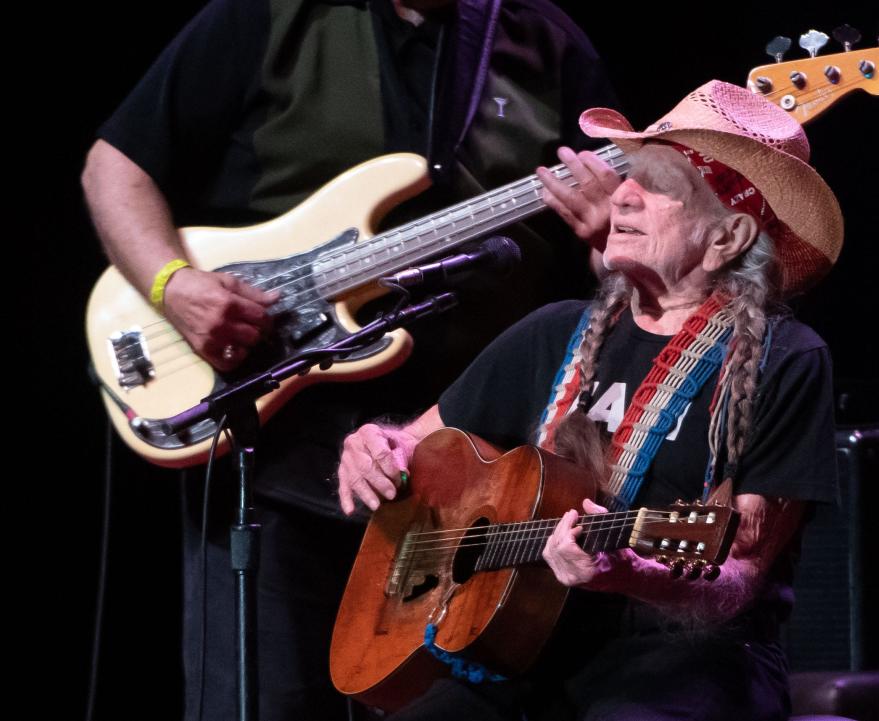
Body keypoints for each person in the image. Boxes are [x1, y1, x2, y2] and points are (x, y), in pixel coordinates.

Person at [81, 1, 619, 720]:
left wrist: (610, 230)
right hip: (274, 458)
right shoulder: (265, 16)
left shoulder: (548, 41)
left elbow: (615, 256)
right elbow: (113, 167)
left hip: (465, 474)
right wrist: (171, 285)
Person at [337, 79, 842, 720]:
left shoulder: (787, 359)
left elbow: (739, 576)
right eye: (629, 173)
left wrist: (629, 574)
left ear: (728, 236)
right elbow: (417, 445)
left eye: (658, 185)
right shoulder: (553, 330)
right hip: (520, 643)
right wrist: (378, 449)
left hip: (681, 661)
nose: (621, 193)